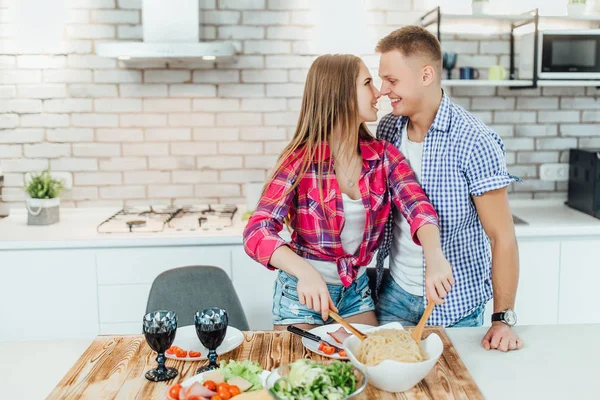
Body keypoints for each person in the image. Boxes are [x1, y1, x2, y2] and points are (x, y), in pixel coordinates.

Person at [243, 54, 454, 331]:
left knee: (367, 366)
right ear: (340, 95)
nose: (378, 92)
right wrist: (305, 272)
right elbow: (256, 231)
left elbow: (418, 208)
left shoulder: (384, 158)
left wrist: (434, 255)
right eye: (367, 83)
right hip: (301, 294)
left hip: (355, 293)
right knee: (302, 373)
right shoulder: (300, 161)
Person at [374, 26, 524, 352]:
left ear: (426, 74)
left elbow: (503, 237)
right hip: (394, 294)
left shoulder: (473, 140)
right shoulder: (387, 129)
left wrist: (502, 319)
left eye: (392, 80)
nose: (383, 90)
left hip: (454, 306)